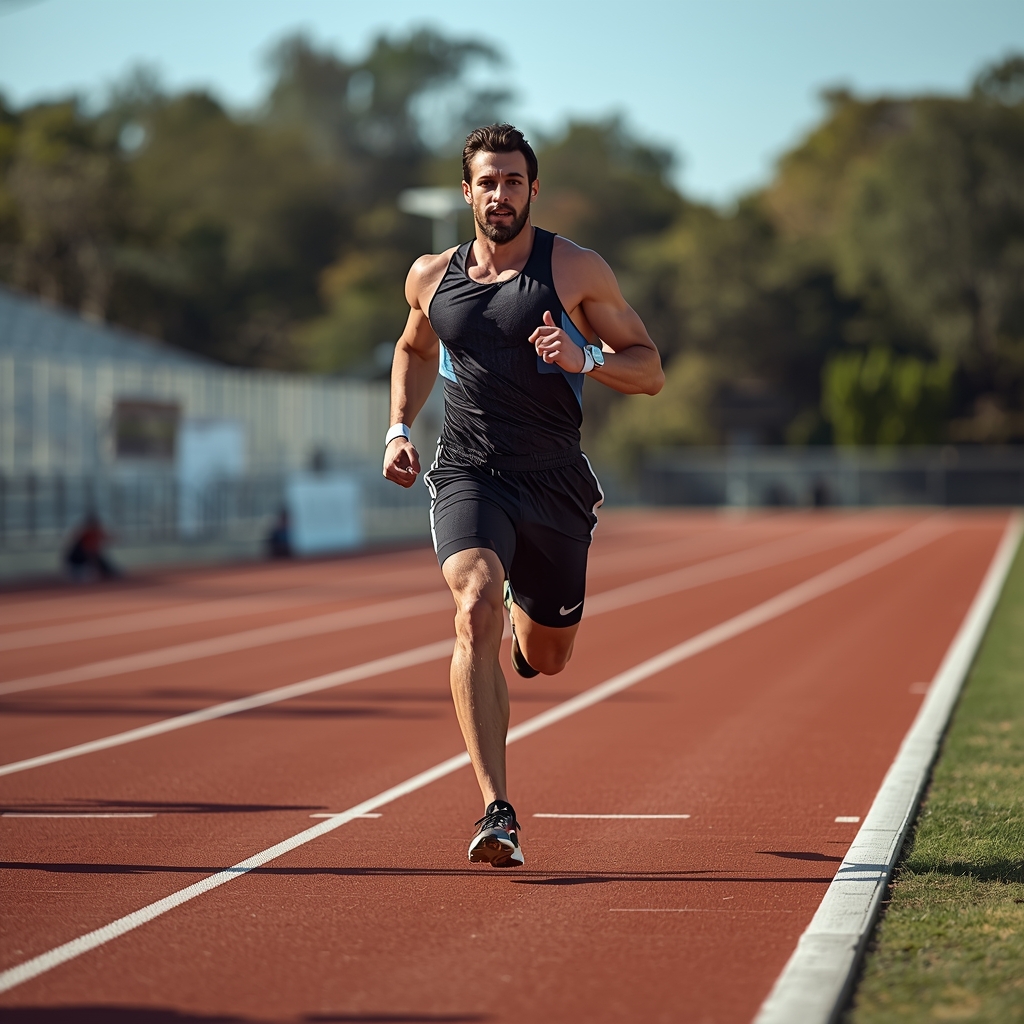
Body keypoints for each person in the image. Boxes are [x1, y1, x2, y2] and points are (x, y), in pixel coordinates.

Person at [383, 124, 664, 867]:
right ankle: (496, 810)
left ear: (532, 190)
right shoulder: (431, 276)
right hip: (467, 472)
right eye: (488, 181)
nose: (500, 194)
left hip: (555, 485)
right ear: (466, 191)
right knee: (472, 604)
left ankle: (526, 623)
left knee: (548, 656)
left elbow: (650, 369)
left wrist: (587, 356)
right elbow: (414, 348)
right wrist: (398, 429)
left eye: (513, 181)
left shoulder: (573, 268)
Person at [65, 512, 119, 581]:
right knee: (86, 578)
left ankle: (108, 573)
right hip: (78, 564)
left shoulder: (95, 533)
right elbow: (90, 554)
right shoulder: (87, 534)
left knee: (104, 565)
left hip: (84, 562)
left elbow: (108, 538)